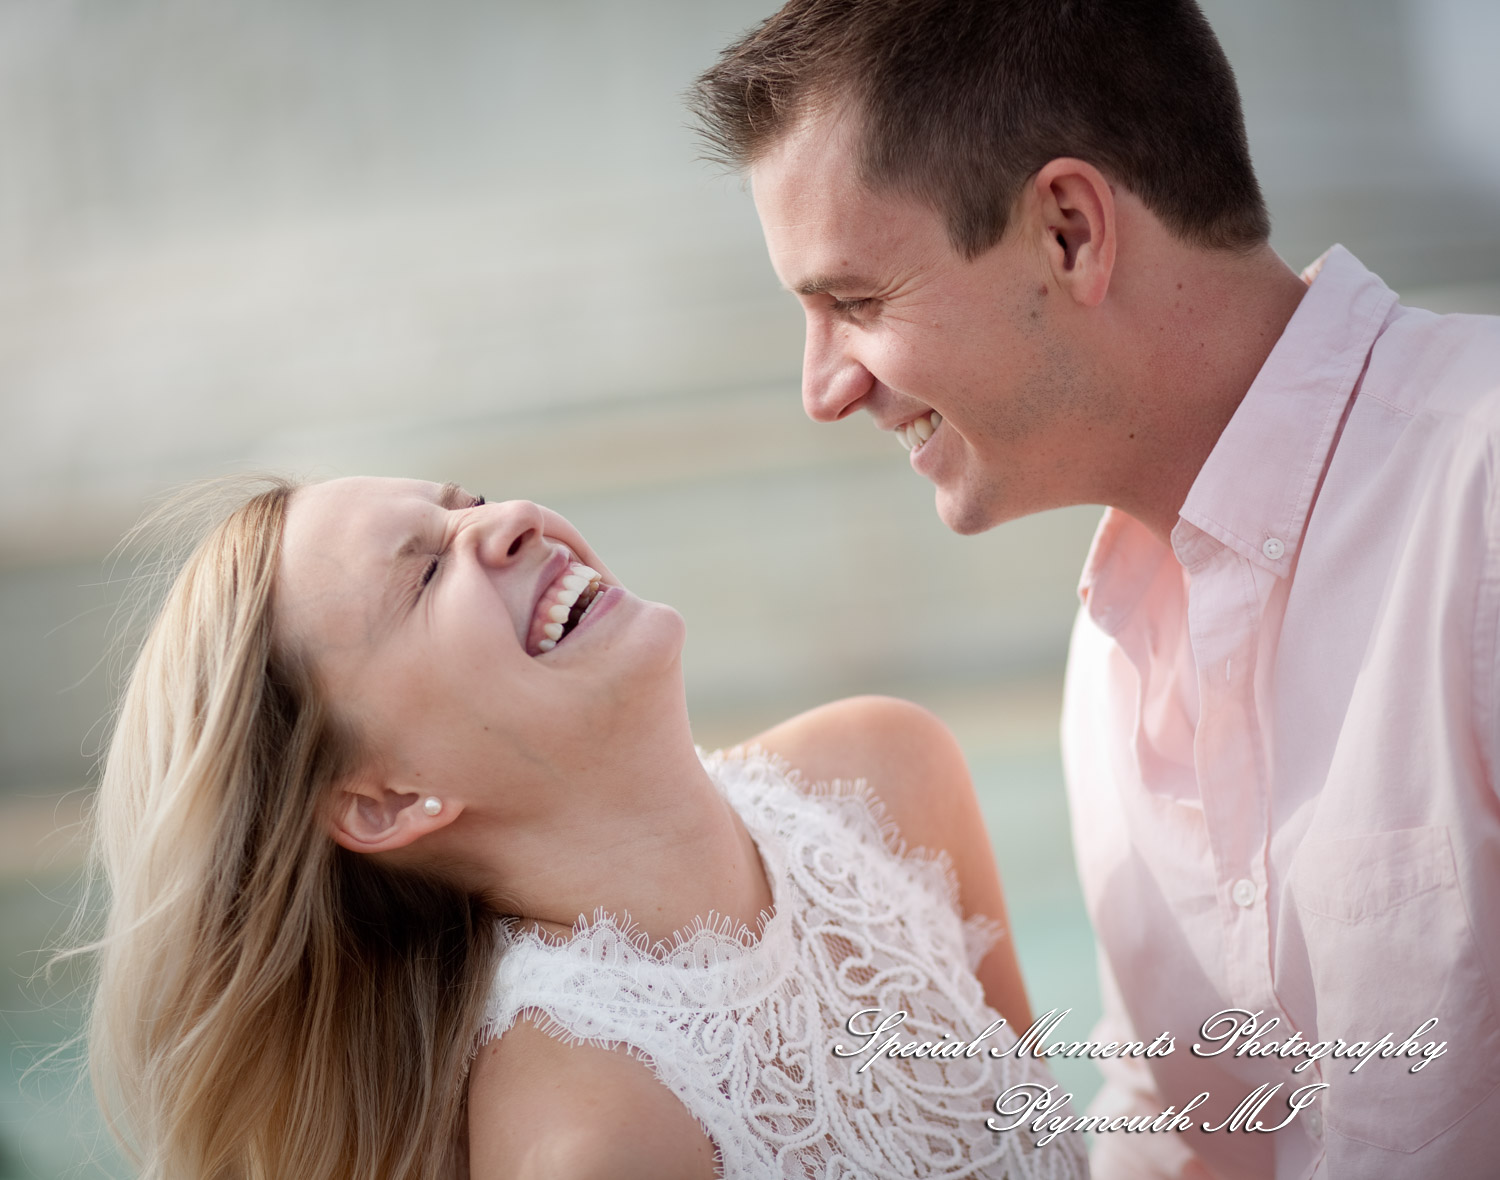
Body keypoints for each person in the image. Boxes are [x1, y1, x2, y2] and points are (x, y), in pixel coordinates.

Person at [691, 1, 1500, 1177]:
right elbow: (1183, 1130)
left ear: (1069, 231)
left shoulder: (1483, 500)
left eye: (854, 302)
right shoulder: (1113, 647)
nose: (821, 388)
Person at [77, 473, 1090, 1180]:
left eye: (465, 501)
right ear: (386, 801)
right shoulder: (593, 1138)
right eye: (425, 575)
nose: (509, 518)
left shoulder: (887, 775)